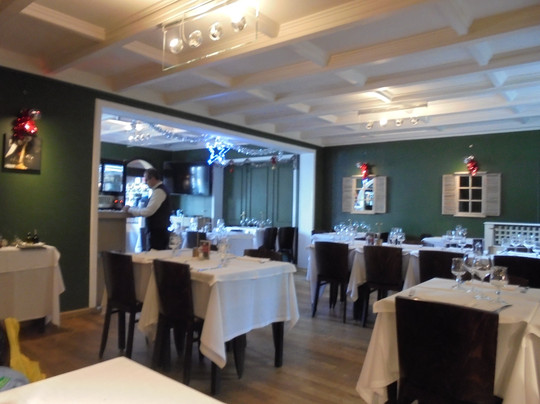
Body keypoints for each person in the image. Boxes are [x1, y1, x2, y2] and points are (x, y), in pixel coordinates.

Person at [123, 168, 171, 250]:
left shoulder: (159, 191)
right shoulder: (160, 190)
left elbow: (148, 211)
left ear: (153, 178)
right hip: (159, 231)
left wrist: (129, 209)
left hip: (158, 233)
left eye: (146, 179)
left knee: (155, 255)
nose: (145, 182)